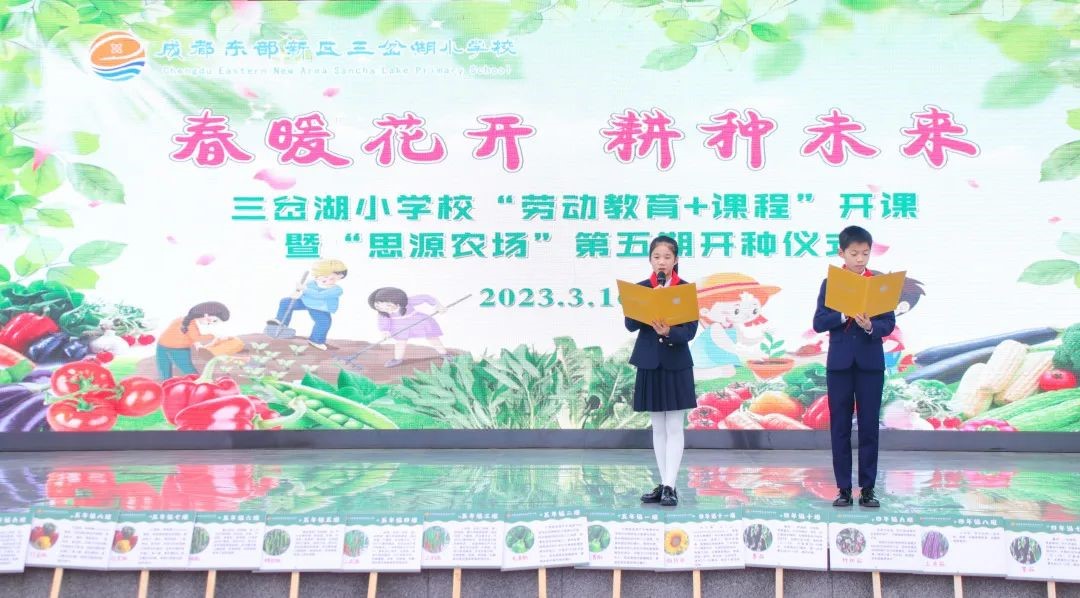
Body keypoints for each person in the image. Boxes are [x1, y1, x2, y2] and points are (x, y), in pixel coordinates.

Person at [813, 226, 895, 508]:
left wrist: (871, 325)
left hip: (870, 364)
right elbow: (818, 323)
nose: (860, 259)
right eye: (854, 253)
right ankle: (844, 489)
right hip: (840, 365)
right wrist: (842, 314)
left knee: (870, 427)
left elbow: (889, 323)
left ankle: (868, 489)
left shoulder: (879, 284)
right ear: (842, 253)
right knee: (840, 428)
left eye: (865, 253)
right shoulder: (830, 284)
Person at [627, 235, 699, 507]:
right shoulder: (642, 289)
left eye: (667, 257)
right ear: (650, 260)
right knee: (658, 427)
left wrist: (669, 332)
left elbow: (690, 331)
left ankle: (670, 485)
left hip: (676, 363)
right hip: (649, 362)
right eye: (657, 257)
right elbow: (630, 325)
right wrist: (649, 304)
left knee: (674, 426)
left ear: (676, 260)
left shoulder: (685, 290)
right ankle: (663, 482)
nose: (662, 262)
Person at [267, 258, 347, 351]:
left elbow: (319, 295)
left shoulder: (336, 290)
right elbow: (304, 293)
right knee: (285, 302)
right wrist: (297, 293)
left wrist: (304, 289)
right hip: (305, 302)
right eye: (321, 276)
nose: (325, 279)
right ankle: (281, 321)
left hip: (320, 308)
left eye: (331, 278)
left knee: (324, 322)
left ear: (340, 276)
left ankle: (316, 340)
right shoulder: (311, 283)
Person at [368, 287, 449, 368]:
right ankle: (397, 359)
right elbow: (383, 322)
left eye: (387, 305)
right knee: (400, 342)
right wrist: (385, 331)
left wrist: (437, 305)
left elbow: (425, 297)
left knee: (432, 337)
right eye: (378, 306)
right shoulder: (383, 314)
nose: (384, 308)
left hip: (419, 322)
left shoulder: (407, 302)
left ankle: (444, 354)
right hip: (400, 327)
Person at [156, 301, 230, 379]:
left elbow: (189, 335)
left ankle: (168, 381)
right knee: (187, 369)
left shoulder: (185, 320)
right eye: (214, 321)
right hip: (176, 349)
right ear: (206, 315)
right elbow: (196, 337)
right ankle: (199, 382)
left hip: (162, 345)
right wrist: (213, 335)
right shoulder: (190, 324)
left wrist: (198, 345)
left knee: (164, 370)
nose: (212, 323)